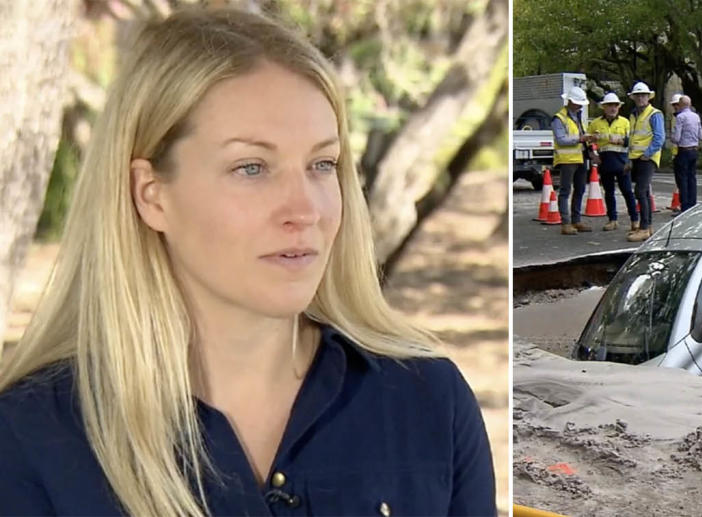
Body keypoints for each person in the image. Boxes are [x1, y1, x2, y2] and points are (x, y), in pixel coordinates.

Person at [0, 8, 496, 517]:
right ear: (151, 195)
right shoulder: (32, 436)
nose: (304, 210)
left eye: (322, 164)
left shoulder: (428, 402)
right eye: (252, 167)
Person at [587, 92, 637, 232]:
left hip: (622, 161)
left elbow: (632, 140)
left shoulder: (625, 122)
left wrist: (621, 141)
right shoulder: (596, 123)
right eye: (610, 105)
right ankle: (612, 220)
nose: (613, 108)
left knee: (627, 191)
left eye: (615, 105)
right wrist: (592, 155)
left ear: (619, 107)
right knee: (609, 192)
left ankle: (634, 220)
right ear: (604, 107)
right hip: (605, 161)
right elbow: (588, 141)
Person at [550, 86, 595, 235]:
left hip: (580, 158)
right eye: (578, 102)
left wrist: (589, 147)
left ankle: (576, 220)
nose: (580, 105)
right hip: (567, 159)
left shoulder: (577, 116)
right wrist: (580, 138)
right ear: (569, 101)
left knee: (580, 189)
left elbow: (580, 136)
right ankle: (566, 223)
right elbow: (561, 139)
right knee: (565, 191)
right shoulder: (559, 118)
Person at [626, 81, 665, 242]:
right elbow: (632, 137)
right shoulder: (634, 114)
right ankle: (647, 227)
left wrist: (647, 154)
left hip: (646, 158)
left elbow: (659, 137)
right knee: (645, 193)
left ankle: (643, 228)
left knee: (640, 192)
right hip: (637, 157)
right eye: (638, 95)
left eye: (643, 95)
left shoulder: (654, 114)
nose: (641, 98)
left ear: (648, 97)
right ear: (634, 97)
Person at [671, 95, 702, 212]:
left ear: (680, 105)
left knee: (683, 179)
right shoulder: (696, 117)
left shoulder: (680, 117)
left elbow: (677, 137)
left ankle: (684, 206)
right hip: (694, 150)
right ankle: (693, 204)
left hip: (683, 150)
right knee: (692, 178)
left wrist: (673, 137)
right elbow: (700, 135)